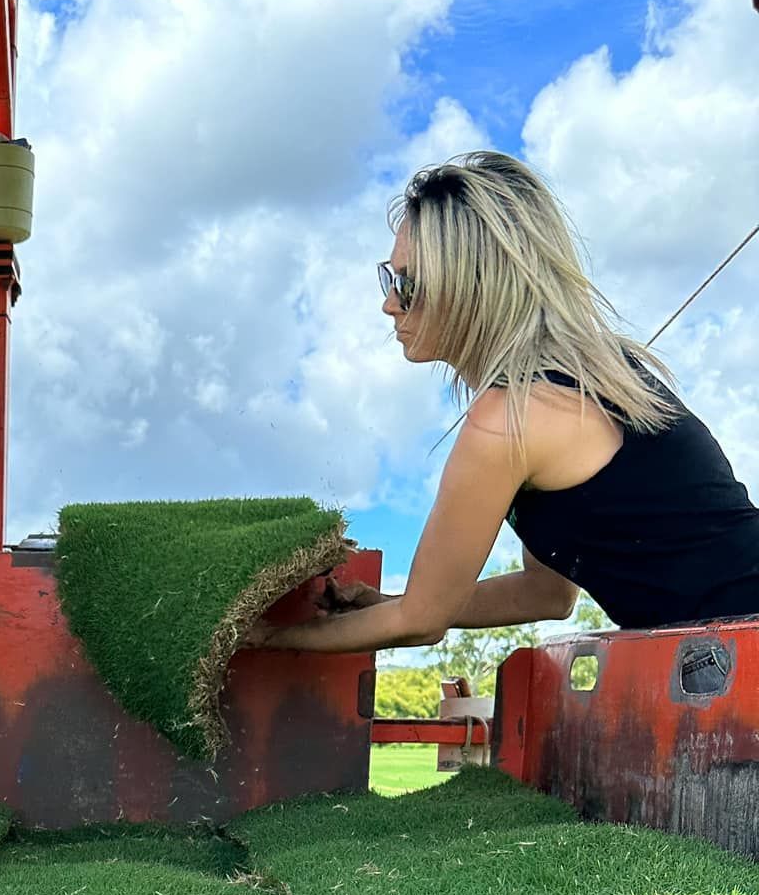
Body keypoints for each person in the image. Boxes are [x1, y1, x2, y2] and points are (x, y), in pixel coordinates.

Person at [253, 150, 759, 658]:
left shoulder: (514, 415)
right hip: (727, 653)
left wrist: (264, 640)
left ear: (469, 287)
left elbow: (422, 622)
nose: (389, 303)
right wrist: (389, 602)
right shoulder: (584, 377)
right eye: (389, 279)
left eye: (406, 284)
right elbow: (547, 593)